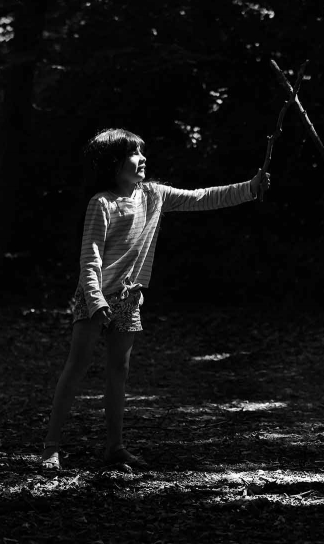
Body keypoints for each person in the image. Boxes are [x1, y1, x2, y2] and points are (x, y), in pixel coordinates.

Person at [42, 127, 270, 470]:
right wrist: (95, 300)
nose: (142, 158)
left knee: (119, 370)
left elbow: (202, 197)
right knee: (76, 367)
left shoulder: (154, 195)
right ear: (113, 163)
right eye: (134, 154)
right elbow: (90, 259)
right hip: (96, 297)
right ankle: (50, 448)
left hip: (129, 298)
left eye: (142, 152)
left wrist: (250, 188)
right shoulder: (101, 203)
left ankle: (114, 447)